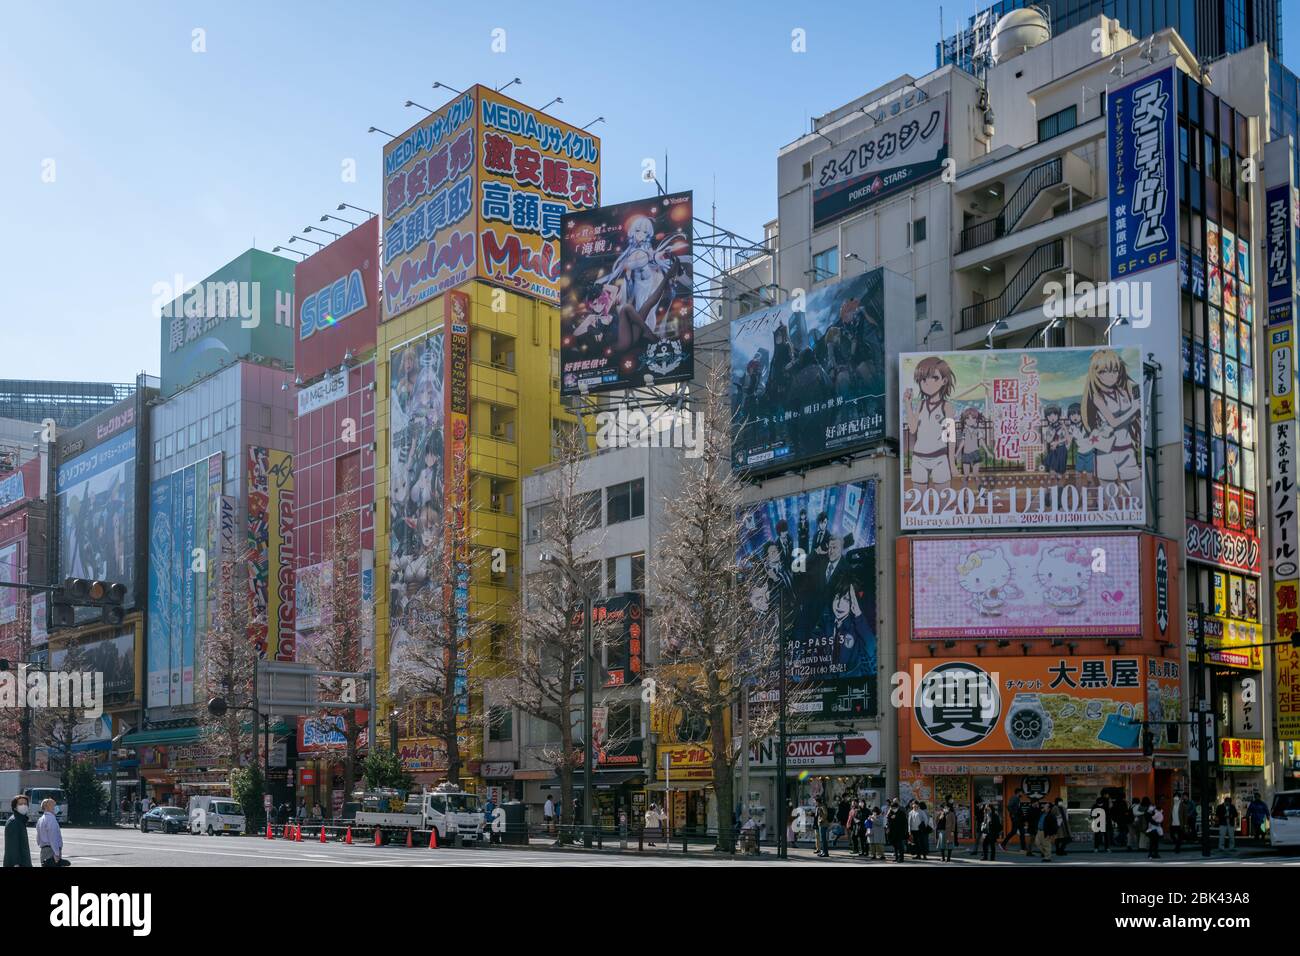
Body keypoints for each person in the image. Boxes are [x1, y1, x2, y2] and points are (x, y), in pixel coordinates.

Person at [37, 798, 68, 867]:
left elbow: (38, 839)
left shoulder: (40, 819)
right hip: (52, 851)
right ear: (46, 807)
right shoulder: (51, 819)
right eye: (53, 805)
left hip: (44, 851)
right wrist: (57, 853)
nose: (56, 807)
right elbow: (53, 837)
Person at [4, 795, 32, 867]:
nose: (24, 806)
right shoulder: (14, 822)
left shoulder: (20, 820)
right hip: (18, 864)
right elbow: (12, 846)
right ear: (15, 807)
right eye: (20, 804)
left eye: (25, 804)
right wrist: (16, 864)